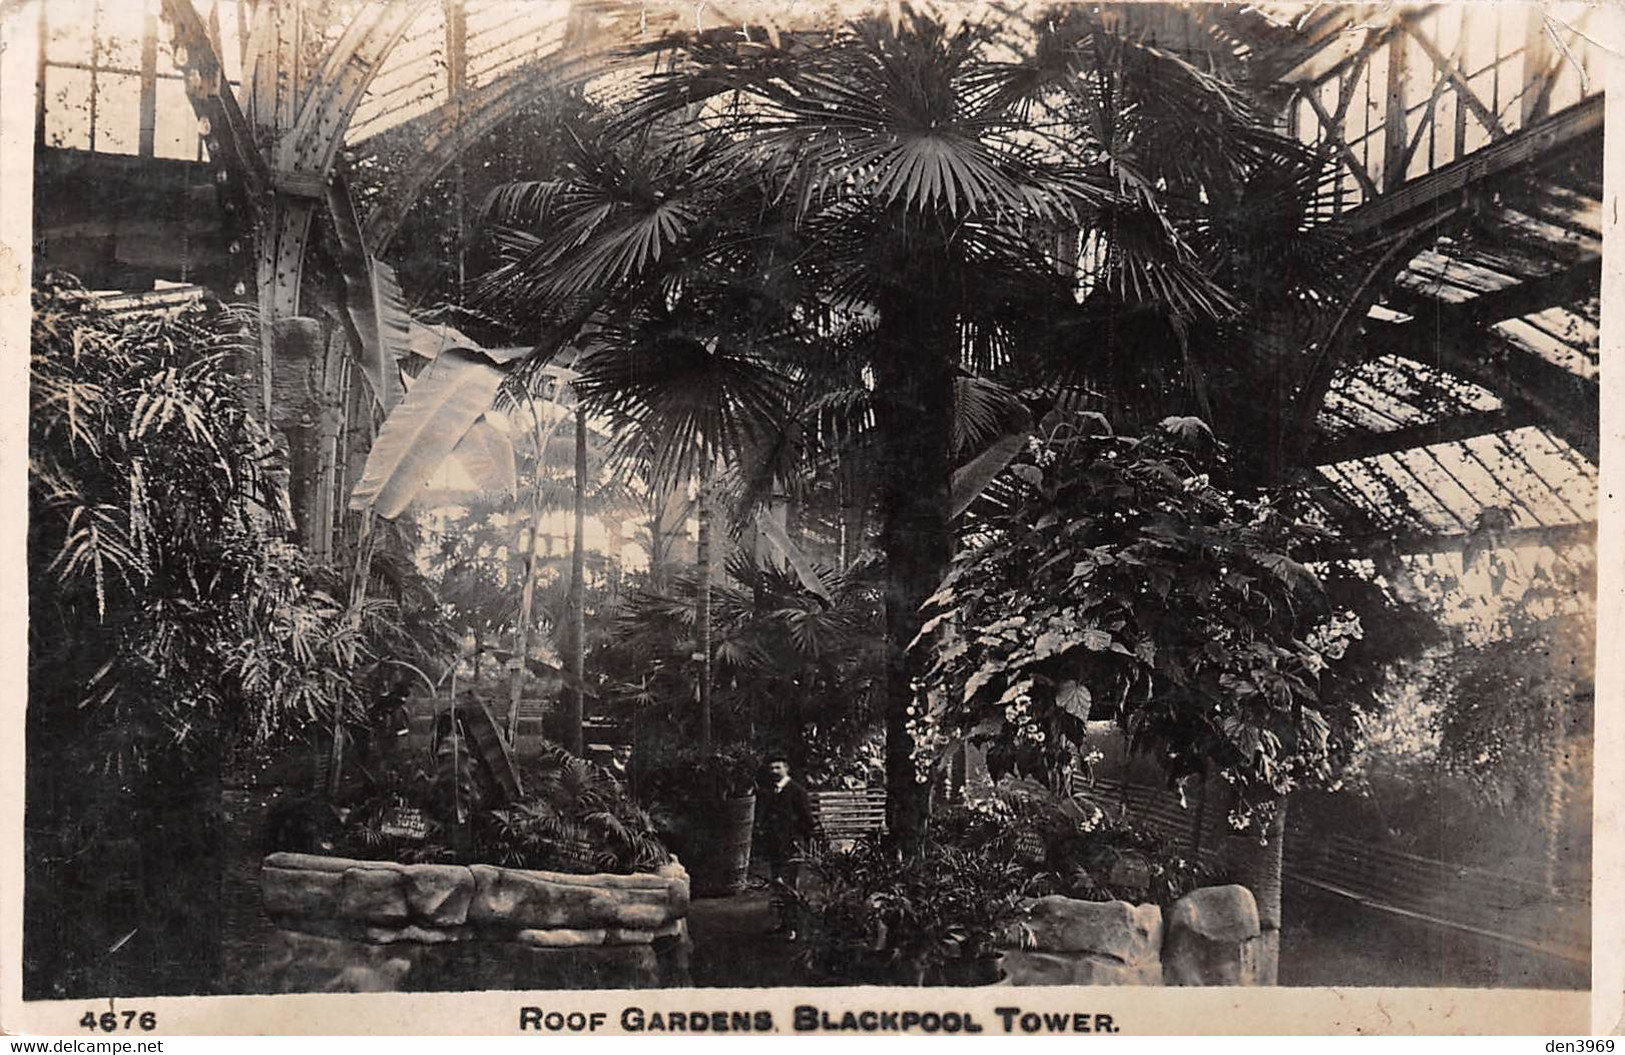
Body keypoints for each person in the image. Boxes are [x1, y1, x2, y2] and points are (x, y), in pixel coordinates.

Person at [757, 755, 817, 939]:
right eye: (771, 768)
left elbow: (807, 820)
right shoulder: (771, 791)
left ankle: (794, 928)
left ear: (786, 768)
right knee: (779, 885)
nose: (774, 771)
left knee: (789, 886)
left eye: (778, 767)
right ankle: (783, 923)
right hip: (776, 846)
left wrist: (802, 842)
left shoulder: (797, 791)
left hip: (791, 846)